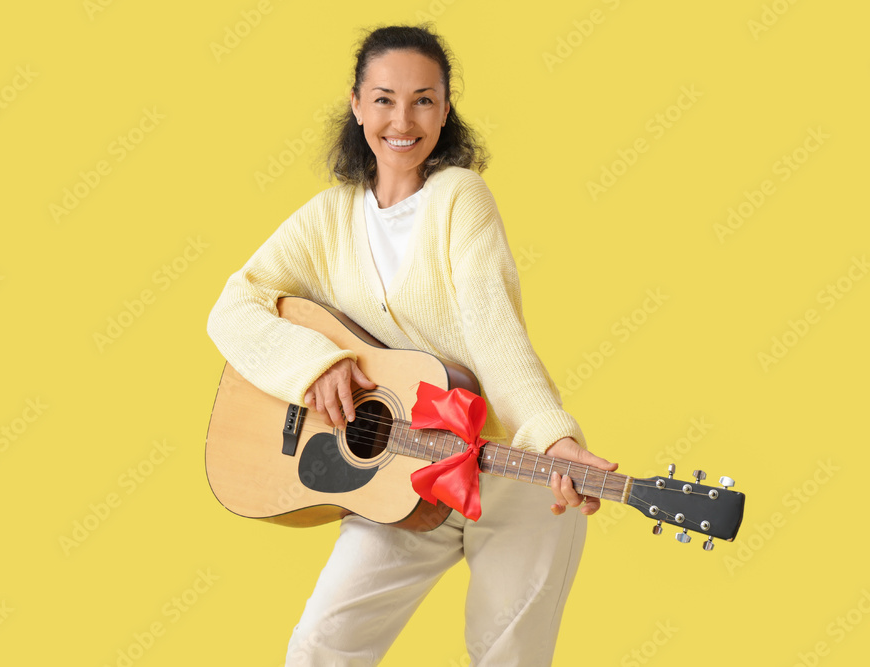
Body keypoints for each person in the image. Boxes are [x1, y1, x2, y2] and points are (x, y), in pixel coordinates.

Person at [207, 24, 618, 667]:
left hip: (515, 474)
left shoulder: (460, 198)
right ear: (356, 104)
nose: (403, 119)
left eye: (423, 99)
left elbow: (492, 329)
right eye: (384, 99)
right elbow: (234, 305)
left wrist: (552, 435)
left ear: (446, 108)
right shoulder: (327, 218)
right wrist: (315, 366)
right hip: (402, 481)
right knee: (320, 648)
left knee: (505, 654)